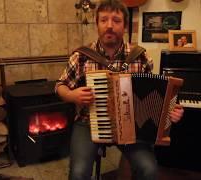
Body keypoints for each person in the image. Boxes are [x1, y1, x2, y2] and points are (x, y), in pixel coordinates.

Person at [55, 0, 184, 179]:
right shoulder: (81, 57)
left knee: (149, 169)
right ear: (97, 24)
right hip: (88, 124)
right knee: (78, 173)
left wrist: (169, 111)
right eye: (104, 20)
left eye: (116, 20)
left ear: (124, 25)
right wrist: (72, 95)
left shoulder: (140, 57)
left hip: (130, 126)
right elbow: (59, 86)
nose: (109, 26)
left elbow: (155, 95)